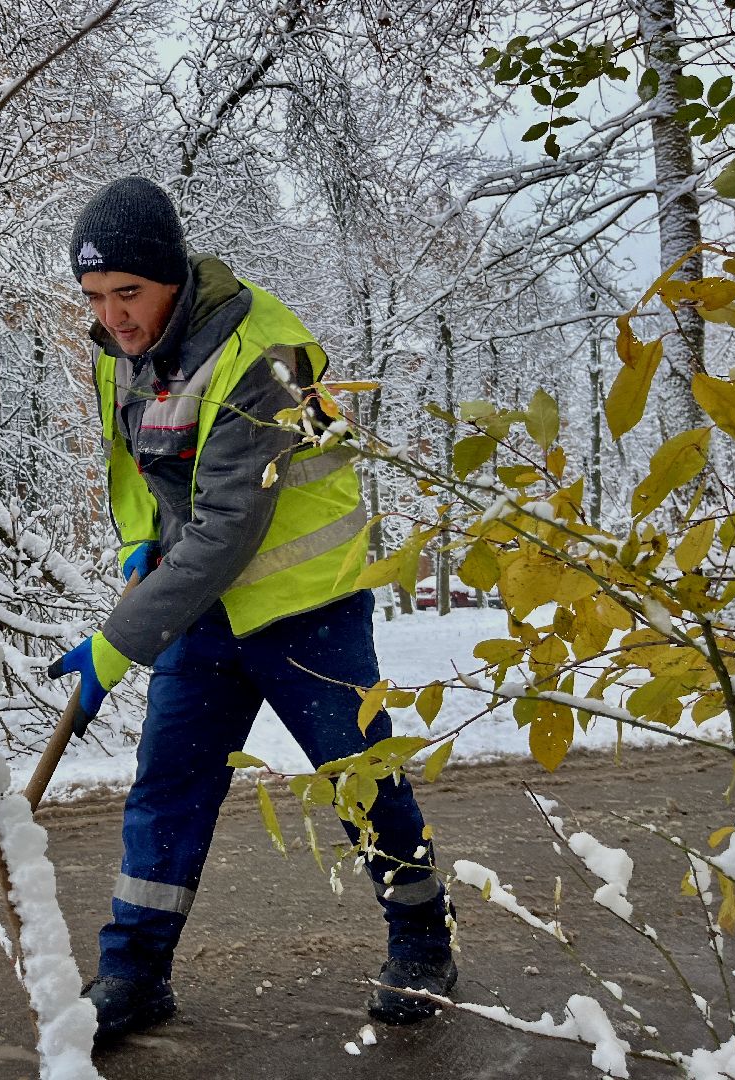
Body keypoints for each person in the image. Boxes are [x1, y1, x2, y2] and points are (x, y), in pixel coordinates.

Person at [49, 177, 456, 1044]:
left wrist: (116, 644)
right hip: (201, 606)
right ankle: (133, 973)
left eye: (129, 293)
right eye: (95, 296)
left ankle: (423, 938)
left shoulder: (263, 353)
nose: (114, 316)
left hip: (307, 605)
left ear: (174, 278)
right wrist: (136, 541)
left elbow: (232, 526)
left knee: (358, 773)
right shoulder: (118, 347)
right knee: (168, 782)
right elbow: (132, 463)